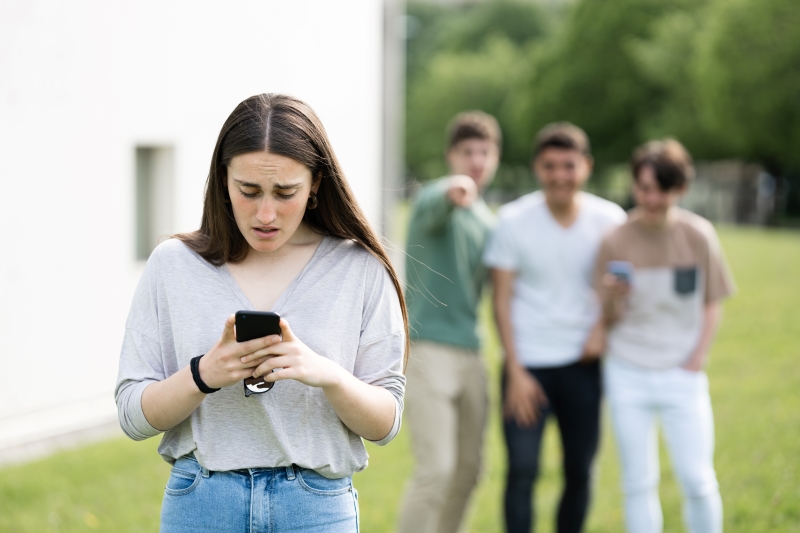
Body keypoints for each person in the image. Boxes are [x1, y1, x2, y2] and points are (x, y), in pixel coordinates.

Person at [115, 93, 408, 533]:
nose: (265, 213)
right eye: (248, 191)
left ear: (315, 185)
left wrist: (326, 373)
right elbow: (132, 416)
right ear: (223, 180)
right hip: (201, 505)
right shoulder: (172, 265)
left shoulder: (360, 268)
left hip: (315, 510)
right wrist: (203, 374)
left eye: (285, 192)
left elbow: (386, 423)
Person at [483, 122, 626, 533]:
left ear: (587, 166)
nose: (560, 175)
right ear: (537, 168)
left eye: (569, 165)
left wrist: (602, 329)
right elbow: (502, 299)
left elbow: (620, 288)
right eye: (550, 166)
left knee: (580, 471)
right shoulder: (512, 220)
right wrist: (515, 369)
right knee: (522, 471)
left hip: (583, 364)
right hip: (528, 366)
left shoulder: (610, 220)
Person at [595, 139, 734, 533]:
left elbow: (712, 303)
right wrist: (611, 297)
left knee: (698, 480)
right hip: (627, 372)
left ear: (680, 189)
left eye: (661, 190)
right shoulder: (615, 239)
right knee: (638, 483)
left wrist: (695, 359)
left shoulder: (699, 236)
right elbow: (607, 318)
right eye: (643, 188)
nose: (651, 198)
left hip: (683, 373)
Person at [398, 111, 500, 533]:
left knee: (470, 471)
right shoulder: (433, 200)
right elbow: (447, 194)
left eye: (485, 152)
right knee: (436, 469)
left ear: (495, 157)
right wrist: (457, 187)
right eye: (467, 152)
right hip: (428, 351)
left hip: (471, 352)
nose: (476, 160)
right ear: (451, 156)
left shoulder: (488, 221)